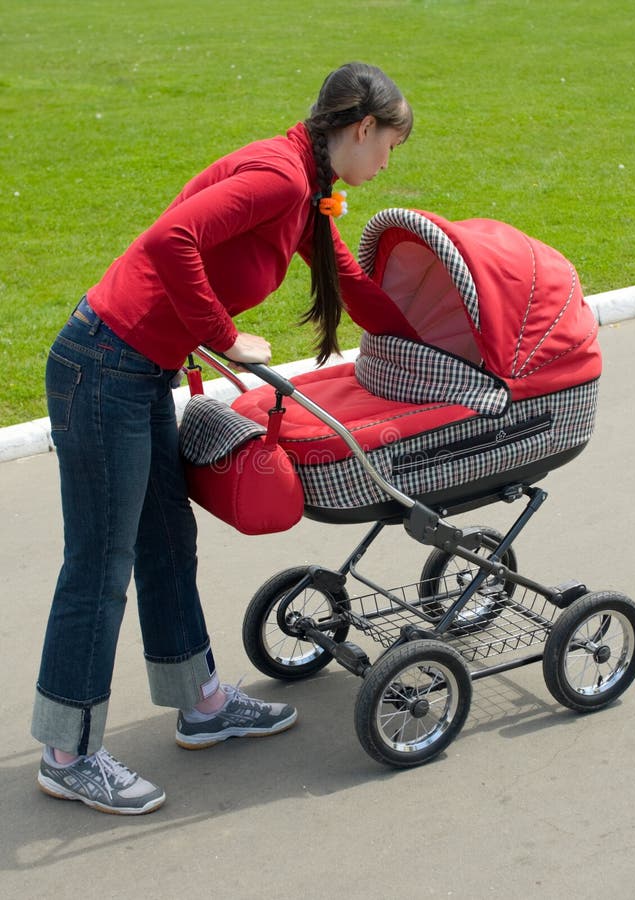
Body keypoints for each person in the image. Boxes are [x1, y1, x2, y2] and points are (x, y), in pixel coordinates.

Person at [32, 61, 418, 815]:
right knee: (99, 564)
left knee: (166, 541)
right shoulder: (279, 176)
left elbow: (341, 269)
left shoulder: (306, 185)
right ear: (362, 129)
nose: (385, 165)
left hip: (134, 368)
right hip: (103, 367)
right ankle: (67, 752)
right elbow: (169, 237)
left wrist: (431, 333)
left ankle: (200, 703)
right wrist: (224, 336)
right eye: (389, 148)